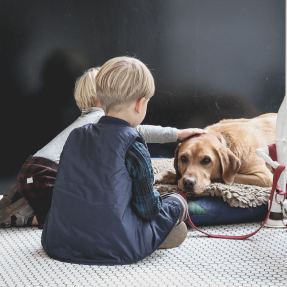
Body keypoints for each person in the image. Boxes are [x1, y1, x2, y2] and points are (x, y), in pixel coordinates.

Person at [0, 65, 205, 229]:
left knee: (54, 199)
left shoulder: (85, 121)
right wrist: (176, 133)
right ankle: (21, 219)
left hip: (32, 170)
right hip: (48, 174)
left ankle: (19, 199)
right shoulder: (102, 120)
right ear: (104, 98)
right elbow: (138, 130)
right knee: (69, 214)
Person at [41, 56, 197, 265]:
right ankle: (156, 234)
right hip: (117, 245)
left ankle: (149, 234)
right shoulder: (133, 146)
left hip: (58, 240)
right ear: (140, 104)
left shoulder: (76, 136)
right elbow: (148, 209)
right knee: (176, 202)